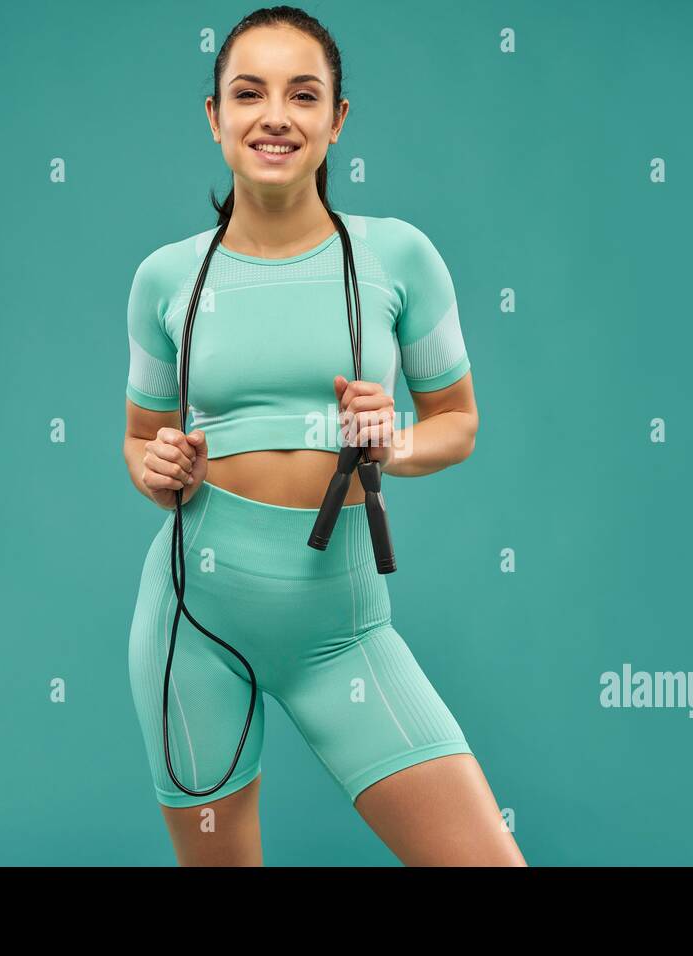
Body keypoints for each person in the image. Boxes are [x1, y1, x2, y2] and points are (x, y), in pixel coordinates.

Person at [121, 6, 526, 867]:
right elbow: (140, 442)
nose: (275, 115)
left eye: (303, 95)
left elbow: (457, 424)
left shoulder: (398, 257)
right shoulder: (167, 278)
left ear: (337, 120)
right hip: (195, 620)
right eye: (248, 93)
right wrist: (157, 466)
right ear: (214, 117)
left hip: (341, 629)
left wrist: (394, 445)